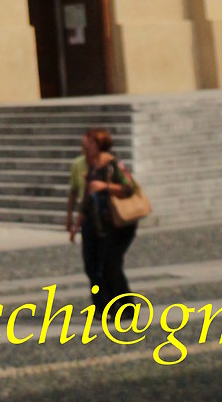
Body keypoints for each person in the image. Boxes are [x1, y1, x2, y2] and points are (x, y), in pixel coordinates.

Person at [83, 128, 141, 312]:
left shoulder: (113, 164)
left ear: (100, 144)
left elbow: (129, 187)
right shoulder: (93, 166)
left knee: (111, 265)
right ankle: (118, 307)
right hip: (102, 223)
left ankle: (122, 308)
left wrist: (104, 186)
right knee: (106, 265)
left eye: (90, 143)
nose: (86, 146)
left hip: (120, 223)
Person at [65, 130, 102, 292]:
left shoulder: (103, 164)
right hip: (86, 217)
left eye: (88, 146)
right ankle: (100, 304)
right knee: (89, 264)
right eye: (83, 147)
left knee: (105, 265)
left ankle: (114, 303)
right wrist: (70, 217)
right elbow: (74, 192)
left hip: (103, 217)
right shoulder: (78, 164)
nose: (85, 149)